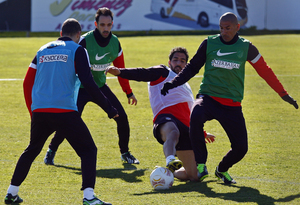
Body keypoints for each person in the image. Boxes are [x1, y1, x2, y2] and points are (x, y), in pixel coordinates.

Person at [161, 12, 298, 184]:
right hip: (208, 97)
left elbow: (265, 71)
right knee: (195, 114)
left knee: (241, 148)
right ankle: (201, 164)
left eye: (227, 28)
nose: (224, 31)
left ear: (237, 27)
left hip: (231, 105)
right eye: (221, 28)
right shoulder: (209, 43)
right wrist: (173, 82)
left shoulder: (247, 48)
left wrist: (283, 94)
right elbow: (192, 67)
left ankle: (222, 169)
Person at [4, 18, 117, 205]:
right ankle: (89, 196)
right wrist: (109, 108)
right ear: (78, 35)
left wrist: (33, 110)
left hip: (40, 110)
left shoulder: (42, 49)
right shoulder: (77, 50)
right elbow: (88, 83)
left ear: (61, 32)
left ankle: (11, 192)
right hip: (64, 110)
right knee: (88, 150)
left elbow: (26, 82)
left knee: (32, 150)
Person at [44, 7, 139, 165]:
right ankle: (51, 151)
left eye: (109, 25)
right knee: (69, 121)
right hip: (80, 89)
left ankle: (125, 153)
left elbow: (120, 71)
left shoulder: (115, 43)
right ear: (96, 24)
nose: (106, 28)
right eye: (102, 25)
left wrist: (128, 92)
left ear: (112, 24)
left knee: (122, 117)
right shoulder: (84, 41)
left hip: (100, 87)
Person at [106, 47, 215, 181]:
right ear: (170, 62)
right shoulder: (163, 72)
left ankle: (167, 173)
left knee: (193, 176)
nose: (178, 63)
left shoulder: (185, 85)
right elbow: (143, 73)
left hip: (185, 127)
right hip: (165, 118)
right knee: (173, 132)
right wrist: (120, 72)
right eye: (175, 60)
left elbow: (190, 114)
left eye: (182, 61)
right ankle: (170, 159)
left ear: (186, 65)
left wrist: (202, 133)